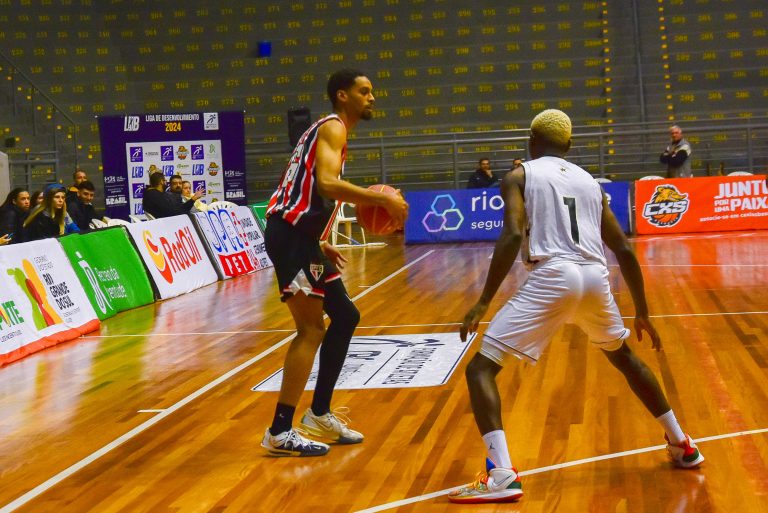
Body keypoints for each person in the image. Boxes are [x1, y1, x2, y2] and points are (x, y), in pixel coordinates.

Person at [451, 110, 703, 504]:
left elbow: (513, 234)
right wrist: (642, 311)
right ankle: (682, 443)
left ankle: (501, 475)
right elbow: (623, 249)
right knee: (624, 358)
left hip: (553, 275)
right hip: (594, 277)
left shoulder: (518, 176)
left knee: (481, 369)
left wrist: (483, 301)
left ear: (531, 141)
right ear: (568, 145)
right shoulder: (590, 182)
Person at [261, 68, 409, 457]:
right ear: (342, 95)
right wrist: (381, 198)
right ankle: (279, 431)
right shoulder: (332, 127)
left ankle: (319, 413)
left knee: (345, 316)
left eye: (372, 91)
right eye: (364, 91)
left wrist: (320, 240)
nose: (372, 97)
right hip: (291, 237)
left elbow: (306, 188)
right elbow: (327, 184)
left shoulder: (328, 132)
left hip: (302, 237)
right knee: (311, 330)